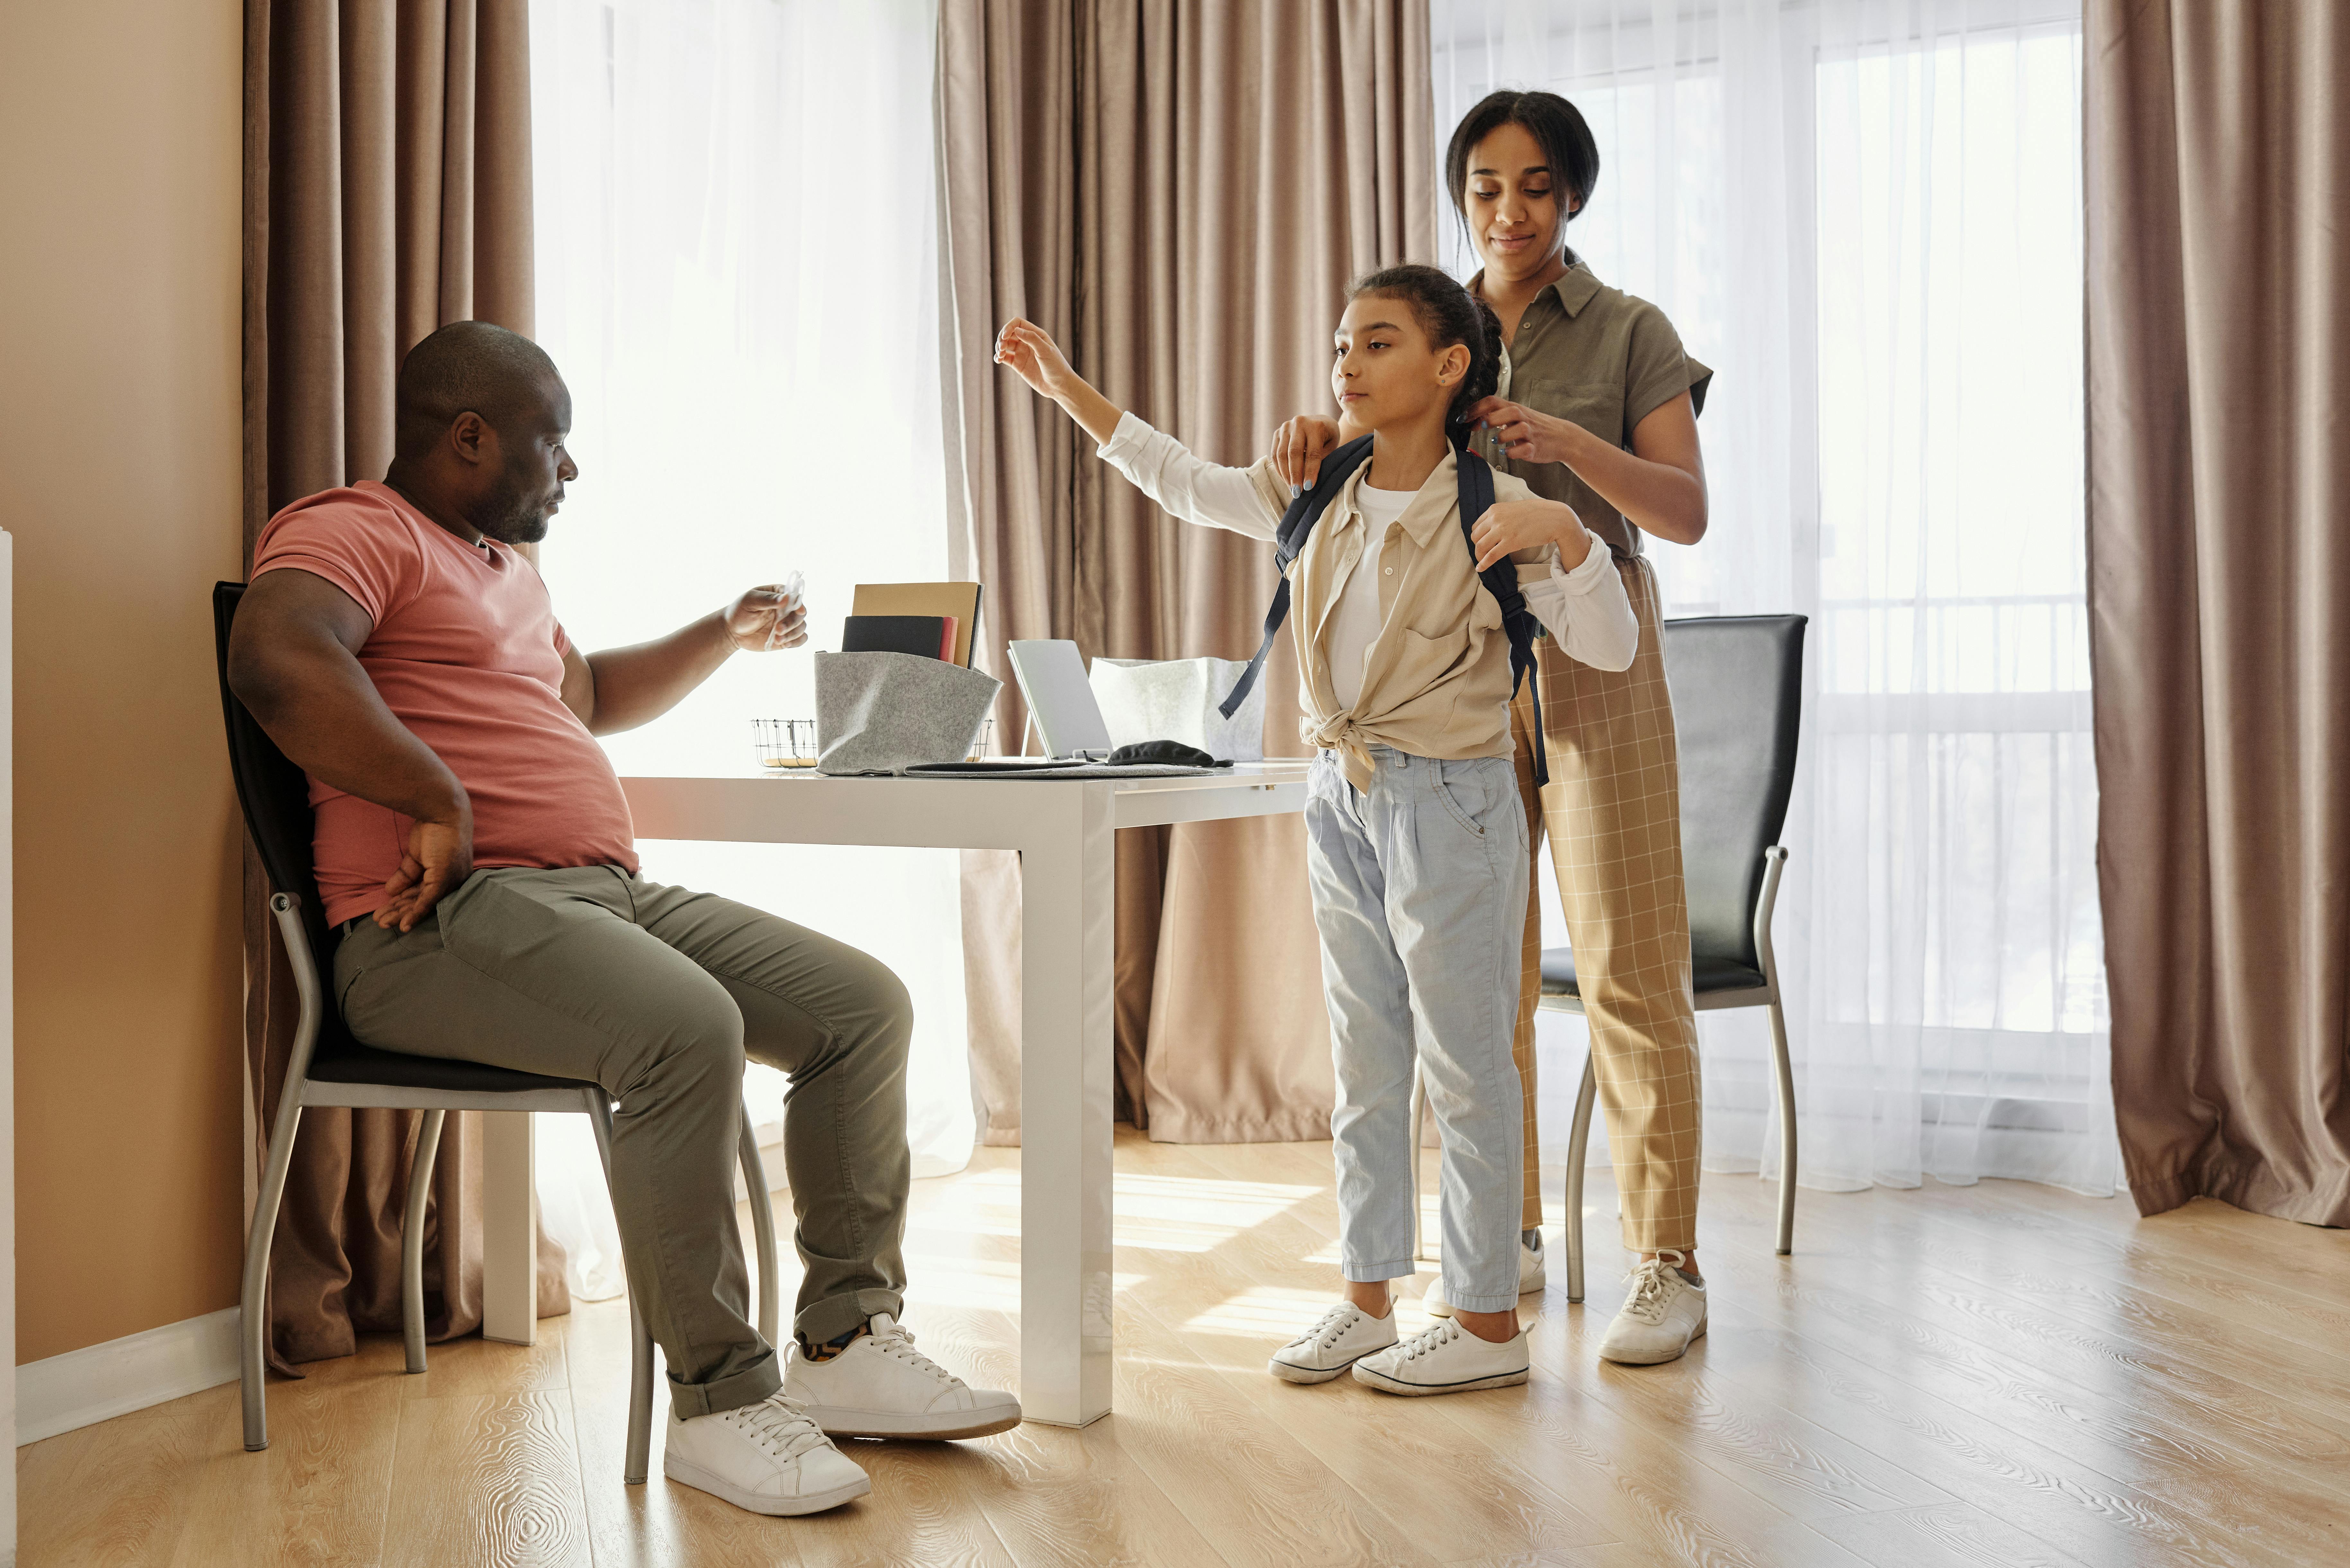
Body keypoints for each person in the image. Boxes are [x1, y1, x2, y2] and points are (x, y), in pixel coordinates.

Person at [228, 320, 1019, 1518]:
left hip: (598, 898)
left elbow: (584, 695)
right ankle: (720, 1401)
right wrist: (431, 793)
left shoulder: (503, 568)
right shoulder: (352, 529)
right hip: (429, 929)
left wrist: (724, 630)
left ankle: (849, 1341)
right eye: (556, 443)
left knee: (862, 1007)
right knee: (683, 1029)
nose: (570, 470)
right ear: (471, 434)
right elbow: (277, 658)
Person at [995, 264, 1639, 1396]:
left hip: (1454, 799)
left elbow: (1613, 647)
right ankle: (1367, 1295)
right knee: (1366, 1060)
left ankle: (1487, 1322)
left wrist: (1572, 538)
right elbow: (1183, 483)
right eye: (1342, 341)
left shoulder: (1496, 503)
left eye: (1378, 343)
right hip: (1340, 792)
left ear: (1449, 366)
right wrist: (1068, 393)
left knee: (1466, 1064)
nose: (1347, 361)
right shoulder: (1317, 489)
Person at [1271, 90, 1716, 1365]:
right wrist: (1316, 434)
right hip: (1447, 678)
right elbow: (1363, 466)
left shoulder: (1629, 330)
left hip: (1588, 656)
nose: (1505, 211)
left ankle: (1662, 1262)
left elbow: (1682, 511)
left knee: (1628, 967)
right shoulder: (1430, 324)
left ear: (1569, 194)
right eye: (1482, 187)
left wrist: (1571, 448)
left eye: (1531, 186)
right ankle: (1497, 1245)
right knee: (1478, 981)